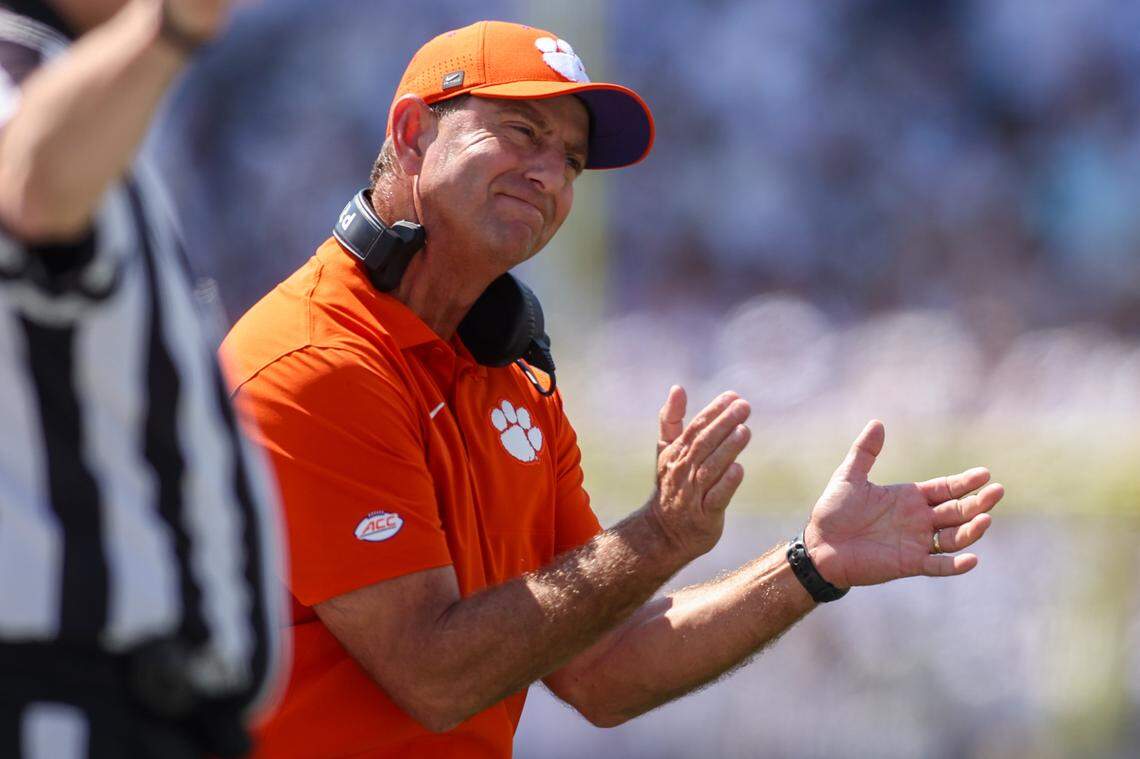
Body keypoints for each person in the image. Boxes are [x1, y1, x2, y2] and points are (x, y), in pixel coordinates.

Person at [222, 20, 1004, 758]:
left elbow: (599, 667)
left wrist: (810, 564)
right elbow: (436, 672)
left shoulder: (512, 374)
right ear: (412, 133)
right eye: (523, 132)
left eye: (570, 158)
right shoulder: (312, 357)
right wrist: (658, 536)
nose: (550, 173)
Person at [0, 1, 285, 756]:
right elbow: (28, 186)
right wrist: (172, 24)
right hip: (70, 707)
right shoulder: (17, 72)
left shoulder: (68, 87)